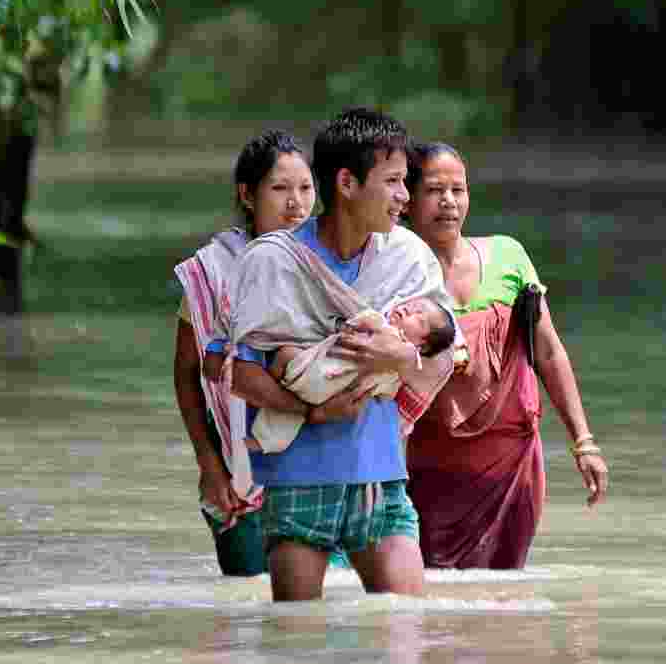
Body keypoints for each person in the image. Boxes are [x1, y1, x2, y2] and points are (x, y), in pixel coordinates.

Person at [222, 108, 456, 601]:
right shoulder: (272, 261)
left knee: (405, 634)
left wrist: (398, 355)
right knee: (296, 648)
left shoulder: (409, 258)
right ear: (347, 183)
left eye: (405, 182)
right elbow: (232, 372)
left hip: (381, 474)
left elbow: (445, 353)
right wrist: (311, 409)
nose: (405, 197)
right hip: (299, 480)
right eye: (392, 181)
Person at [403, 142, 609, 570]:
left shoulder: (507, 256)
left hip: (509, 467)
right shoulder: (394, 273)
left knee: (504, 598)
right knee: (429, 597)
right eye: (434, 190)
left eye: (458, 190)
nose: (448, 202)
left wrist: (583, 442)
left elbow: (548, 352)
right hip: (427, 470)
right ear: (406, 199)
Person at [172, 129, 315, 576]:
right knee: (252, 615)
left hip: (319, 471)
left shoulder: (328, 263)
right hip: (236, 480)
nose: (296, 203)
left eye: (306, 188)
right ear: (247, 195)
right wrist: (210, 466)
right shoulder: (213, 271)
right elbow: (186, 373)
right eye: (280, 189)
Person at [204, 296, 454, 454]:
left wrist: (354, 325)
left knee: (284, 359)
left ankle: (260, 424)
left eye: (420, 320)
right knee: (288, 420)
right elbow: (385, 392)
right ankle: (260, 442)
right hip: (328, 393)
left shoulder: (388, 334)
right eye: (411, 306)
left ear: (421, 346)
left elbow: (362, 320)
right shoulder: (400, 367)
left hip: (318, 375)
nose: (410, 311)